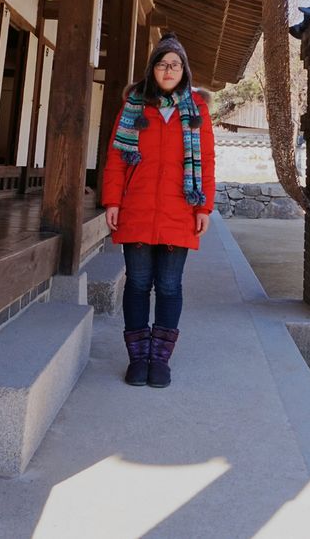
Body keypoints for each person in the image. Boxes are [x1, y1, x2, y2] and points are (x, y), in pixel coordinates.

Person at [102, 32, 215, 388]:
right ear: (152, 68)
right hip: (136, 208)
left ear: (185, 71)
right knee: (137, 284)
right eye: (163, 63)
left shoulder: (197, 109)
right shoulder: (134, 105)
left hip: (179, 209)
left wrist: (204, 207)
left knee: (168, 285)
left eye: (176, 64)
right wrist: (113, 201)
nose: (169, 69)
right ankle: (137, 358)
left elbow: (207, 161)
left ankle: (159, 359)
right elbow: (117, 159)